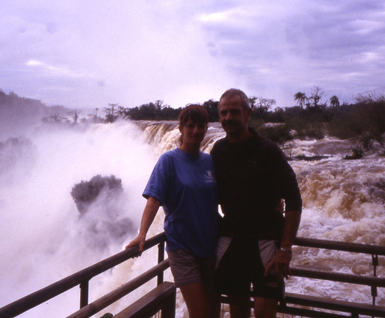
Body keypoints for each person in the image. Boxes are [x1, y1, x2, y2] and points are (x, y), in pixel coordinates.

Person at [211, 89, 302, 318]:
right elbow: (206, 193)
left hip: (267, 244)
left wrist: (286, 249)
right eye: (223, 113)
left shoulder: (268, 151)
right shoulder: (218, 151)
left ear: (248, 113)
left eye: (234, 111)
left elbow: (294, 199)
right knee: (237, 311)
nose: (228, 118)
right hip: (231, 241)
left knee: (265, 313)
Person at [126, 105, 219, 318]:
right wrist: (142, 234)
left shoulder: (209, 161)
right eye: (190, 126)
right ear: (181, 128)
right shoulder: (168, 160)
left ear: (206, 128)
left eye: (201, 126)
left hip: (210, 246)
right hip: (182, 247)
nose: (196, 130)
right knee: (199, 311)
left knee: (213, 310)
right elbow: (153, 199)